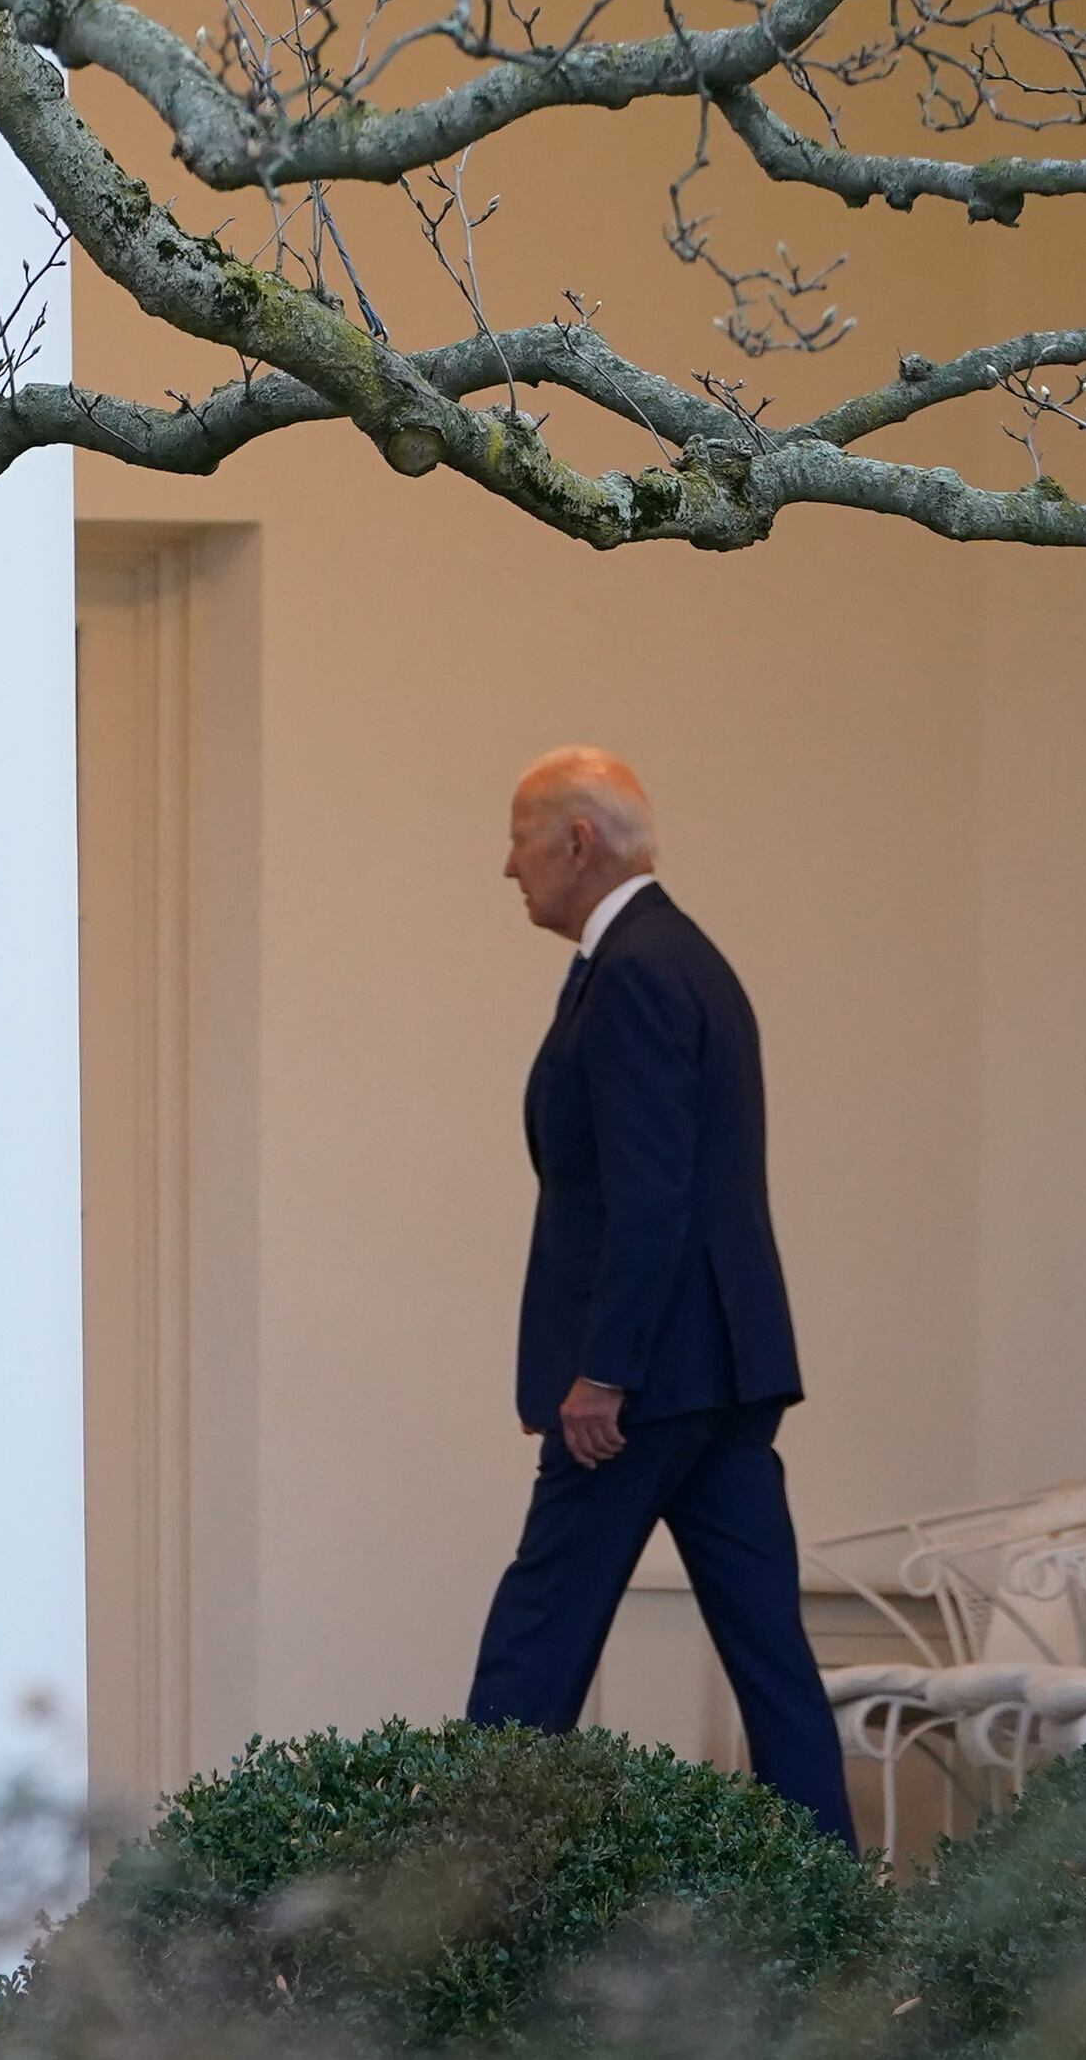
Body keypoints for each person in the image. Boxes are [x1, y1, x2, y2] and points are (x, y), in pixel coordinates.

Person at [459, 748, 856, 1851]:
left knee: (535, 1637)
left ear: (575, 843)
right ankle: (828, 1899)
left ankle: (445, 1898)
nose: (506, 867)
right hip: (719, 1371)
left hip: (644, 1386)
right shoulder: (681, 958)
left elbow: (650, 1192)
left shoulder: (631, 969)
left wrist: (604, 1372)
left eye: (518, 838)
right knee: (769, 1657)